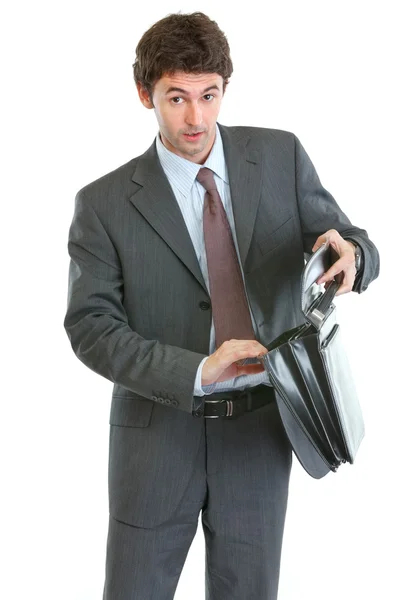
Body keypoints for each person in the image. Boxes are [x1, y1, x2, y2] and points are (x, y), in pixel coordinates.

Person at [64, 11, 380, 600]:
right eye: (176, 98)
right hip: (156, 438)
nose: (196, 117)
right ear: (144, 94)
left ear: (225, 88)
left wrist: (354, 255)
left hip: (261, 430)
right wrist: (195, 372)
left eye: (209, 95)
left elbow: (348, 239)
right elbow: (90, 327)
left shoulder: (280, 156)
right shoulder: (103, 204)